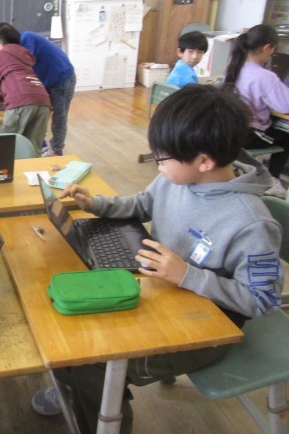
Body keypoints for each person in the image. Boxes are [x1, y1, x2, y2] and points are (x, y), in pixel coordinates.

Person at [30, 84, 284, 434]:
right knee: (68, 324)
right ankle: (79, 388)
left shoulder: (251, 224)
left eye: (162, 158)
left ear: (204, 161)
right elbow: (143, 203)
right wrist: (97, 204)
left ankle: (91, 397)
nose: (158, 165)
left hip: (209, 326)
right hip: (164, 290)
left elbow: (264, 300)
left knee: (94, 363)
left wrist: (187, 275)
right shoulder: (178, 178)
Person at [0, 22, 76, 157]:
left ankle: (57, 150)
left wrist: (0, 56)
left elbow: (24, 63)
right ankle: (40, 146)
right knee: (39, 112)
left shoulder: (26, 38)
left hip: (61, 78)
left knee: (59, 116)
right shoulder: (15, 50)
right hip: (44, 80)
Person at [0, 24, 52, 155]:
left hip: (22, 104)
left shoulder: (1, 55)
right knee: (32, 151)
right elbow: (16, 87)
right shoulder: (24, 55)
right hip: (43, 102)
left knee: (2, 149)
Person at [224, 24, 289, 179]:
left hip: (230, 129)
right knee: (287, 135)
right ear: (267, 48)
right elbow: (285, 106)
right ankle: (272, 178)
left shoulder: (234, 67)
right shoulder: (265, 77)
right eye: (273, 50)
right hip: (249, 135)